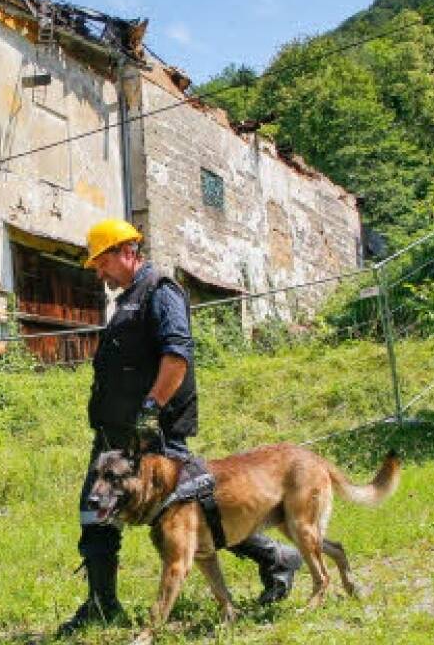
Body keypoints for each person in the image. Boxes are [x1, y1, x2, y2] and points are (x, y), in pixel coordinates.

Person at [57, 218, 302, 637]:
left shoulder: (160, 291)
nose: (99, 273)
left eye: (101, 263)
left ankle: (276, 558)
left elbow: (177, 356)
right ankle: (102, 605)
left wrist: (152, 408)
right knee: (97, 509)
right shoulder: (129, 298)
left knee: (201, 512)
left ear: (125, 252)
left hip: (155, 435)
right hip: (117, 434)